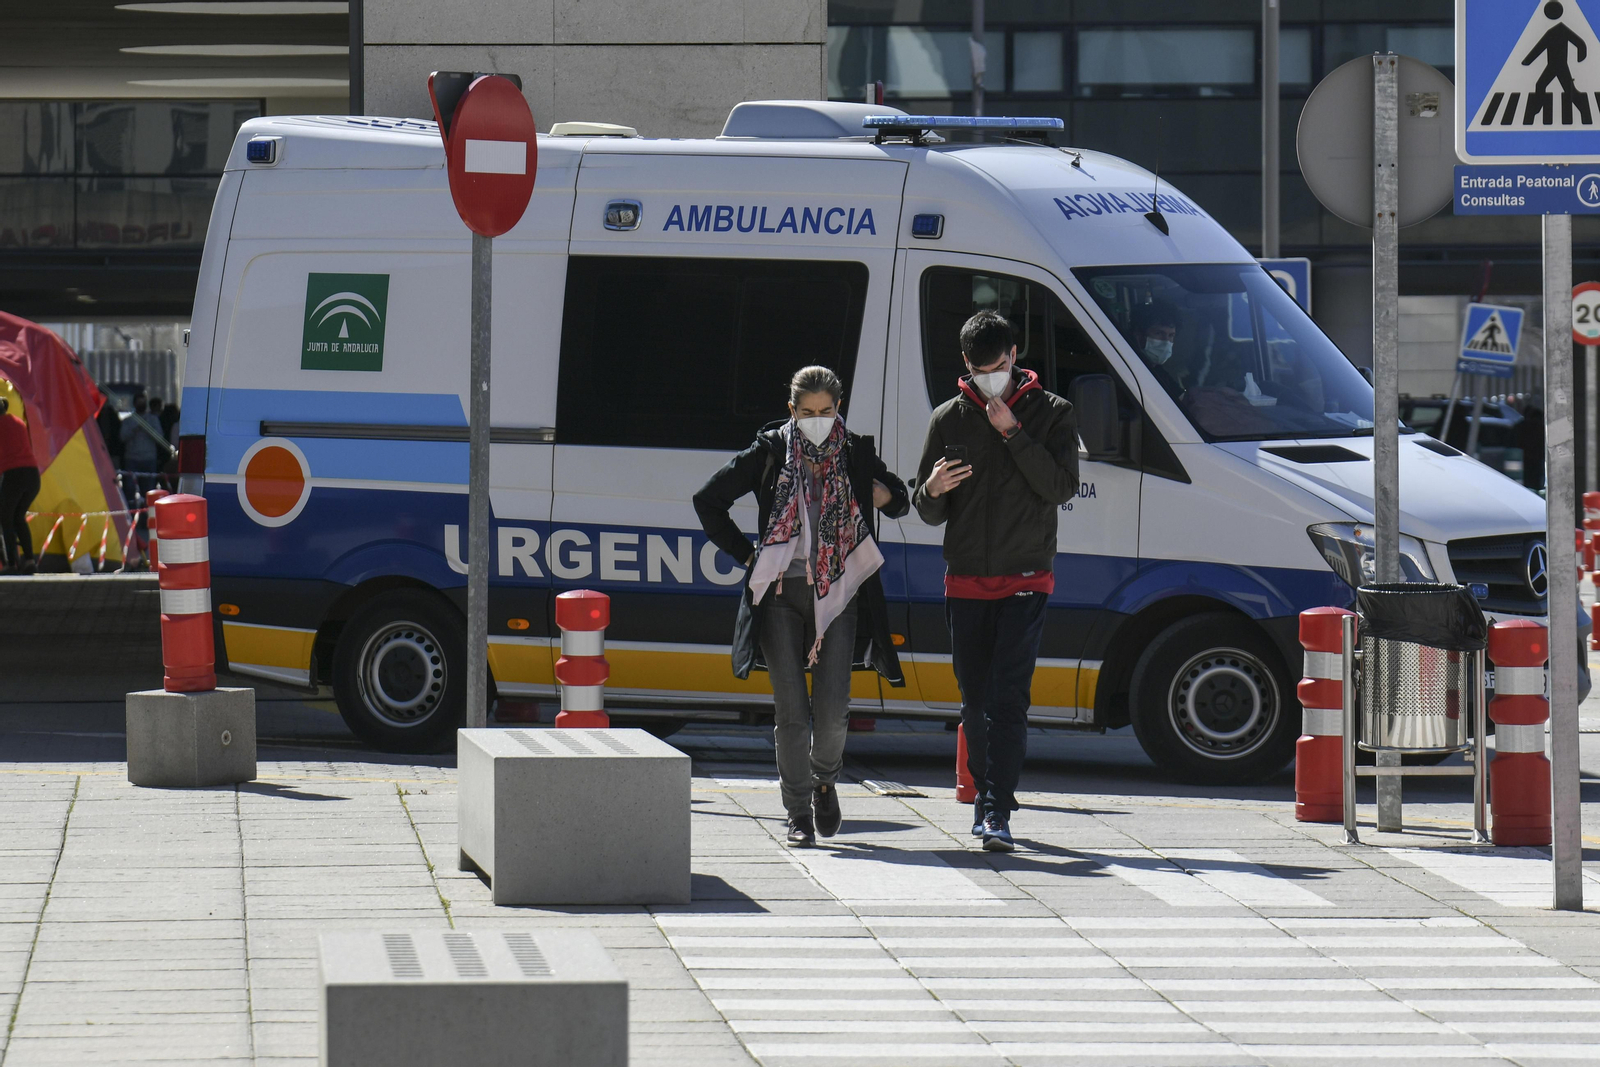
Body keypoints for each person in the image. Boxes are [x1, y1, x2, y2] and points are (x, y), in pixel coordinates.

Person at [695, 365, 909, 847]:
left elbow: (901, 501)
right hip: (779, 595)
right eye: (808, 412)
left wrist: (883, 495)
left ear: (839, 409)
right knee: (791, 711)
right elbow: (708, 500)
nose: (818, 420)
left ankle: (824, 782)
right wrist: (748, 556)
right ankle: (797, 812)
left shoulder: (853, 451)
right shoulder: (770, 451)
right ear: (791, 410)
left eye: (826, 411)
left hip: (838, 593)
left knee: (832, 711)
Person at [914, 310, 1079, 852]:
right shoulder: (948, 418)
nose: (991, 378)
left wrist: (1013, 433)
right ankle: (986, 800)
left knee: (1008, 700)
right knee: (974, 701)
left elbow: (1060, 487)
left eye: (999, 366)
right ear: (966, 363)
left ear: (1014, 356)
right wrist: (931, 490)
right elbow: (927, 510)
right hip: (965, 578)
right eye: (980, 370)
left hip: (1027, 577)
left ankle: (995, 808)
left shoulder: (1053, 413)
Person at [0, 396, 40, 575]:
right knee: (18, 517)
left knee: (5, 518)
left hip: (14, 475)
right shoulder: (18, 422)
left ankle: (11, 564)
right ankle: (29, 560)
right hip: (32, 475)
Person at [119, 392, 168, 497]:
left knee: (149, 489)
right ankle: (132, 506)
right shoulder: (128, 420)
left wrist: (148, 429)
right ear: (134, 404)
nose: (141, 405)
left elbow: (160, 437)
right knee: (130, 488)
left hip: (149, 458)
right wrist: (135, 429)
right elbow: (123, 437)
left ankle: (147, 507)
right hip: (132, 459)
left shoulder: (153, 419)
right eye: (139, 403)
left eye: (143, 403)